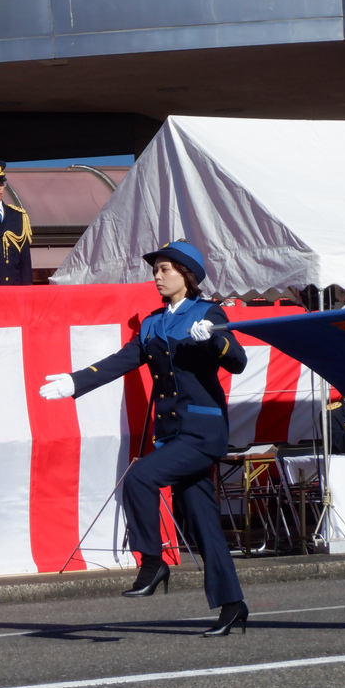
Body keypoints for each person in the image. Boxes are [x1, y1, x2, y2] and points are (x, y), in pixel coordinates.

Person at [40, 240, 250, 637]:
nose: (157, 276)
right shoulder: (153, 322)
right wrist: (75, 380)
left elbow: (237, 361)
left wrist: (215, 339)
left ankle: (153, 562)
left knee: (140, 477)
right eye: (155, 270)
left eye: (165, 269)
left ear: (186, 275)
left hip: (202, 432)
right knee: (204, 522)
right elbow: (124, 360)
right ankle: (233, 605)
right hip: (172, 434)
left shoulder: (208, 313)